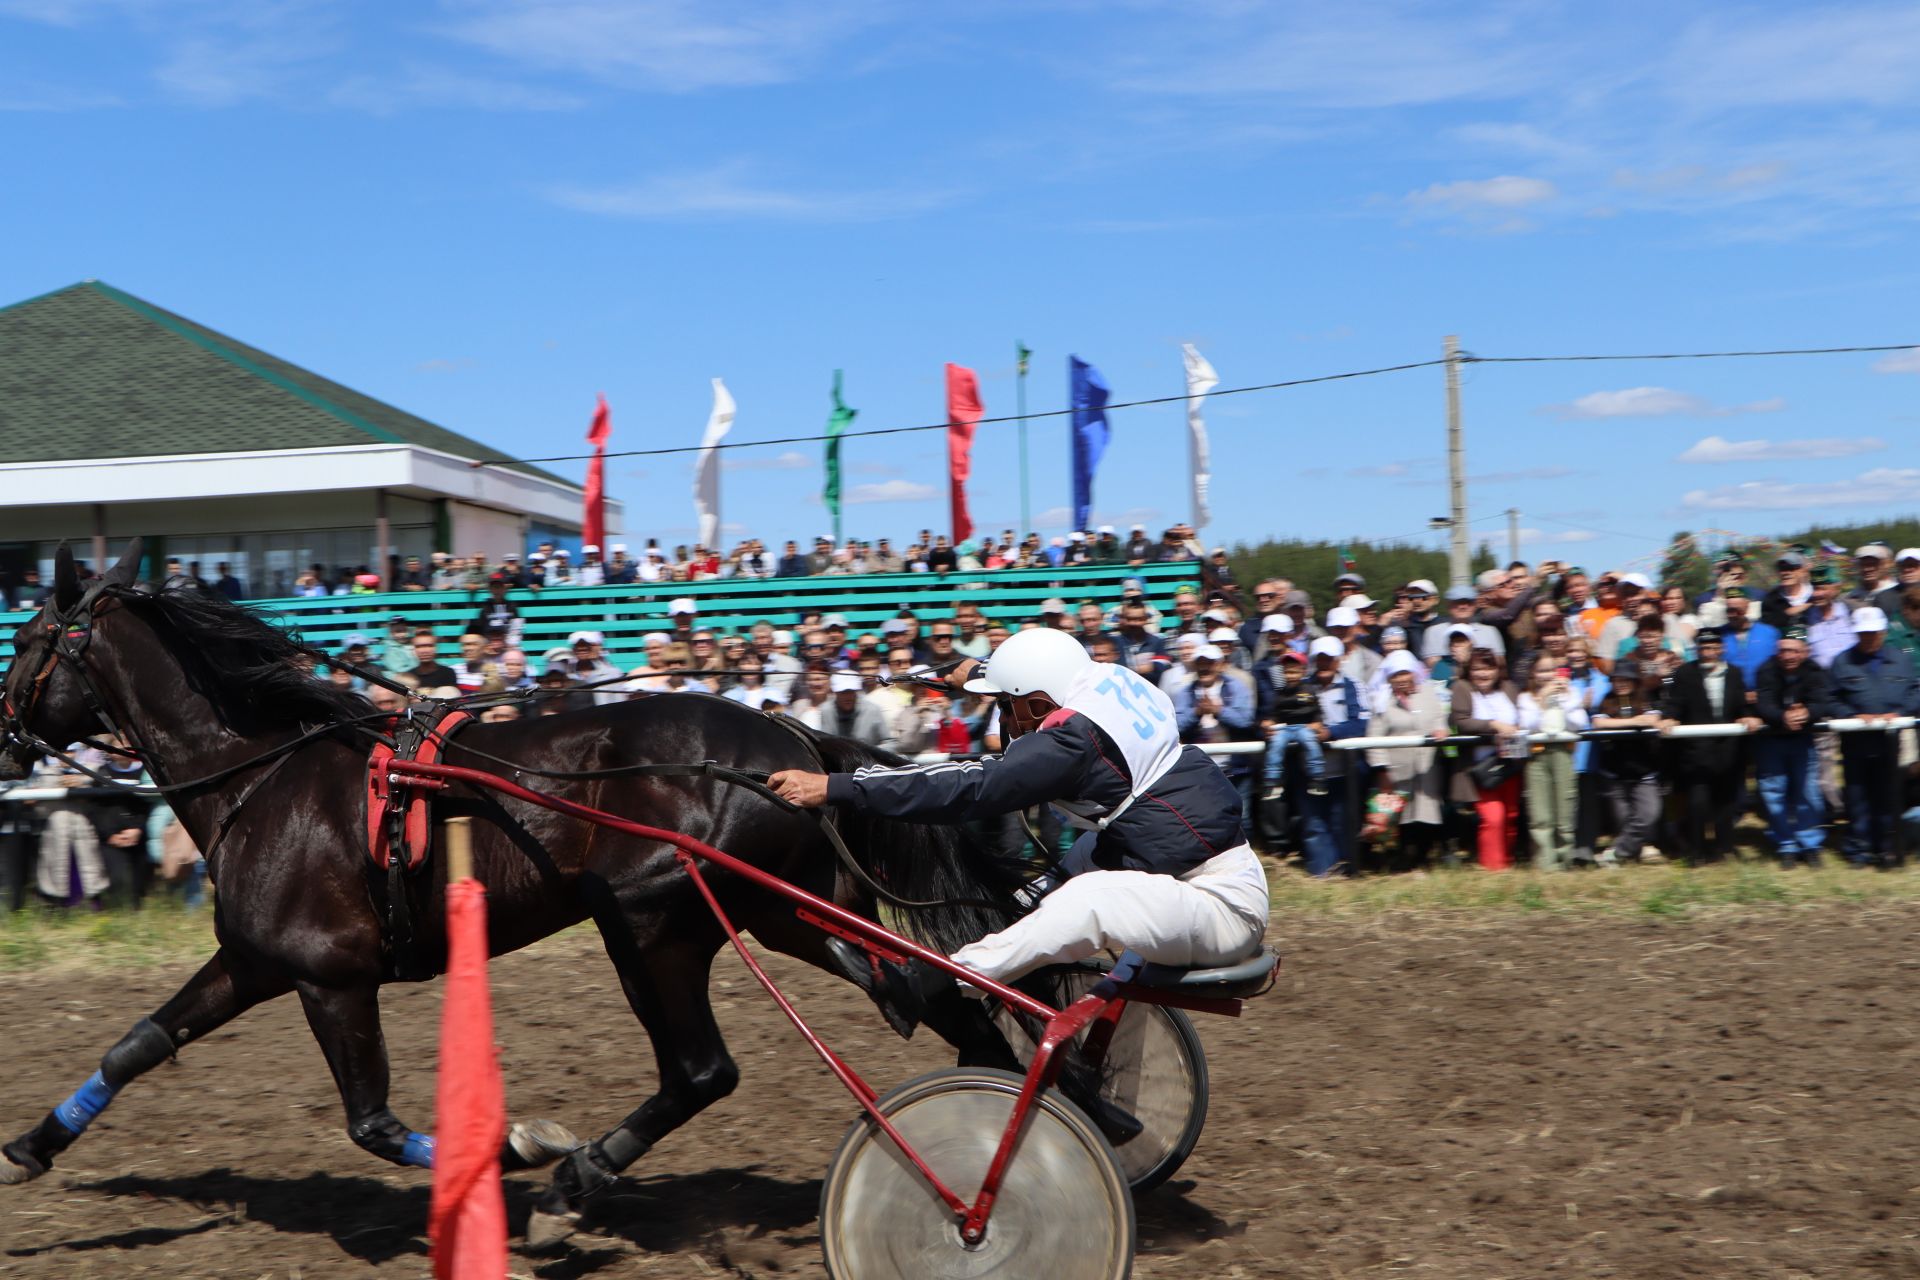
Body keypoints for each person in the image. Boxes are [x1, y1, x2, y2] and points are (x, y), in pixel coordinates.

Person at [767, 628, 1267, 1049]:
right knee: (1029, 898)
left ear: (1039, 703)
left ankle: (935, 980)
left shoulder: (1072, 744)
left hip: (1219, 905)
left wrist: (835, 787)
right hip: (1177, 867)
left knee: (1085, 899)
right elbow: (1049, 673)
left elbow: (969, 785)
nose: (1003, 722)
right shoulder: (1108, 679)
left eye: (1007, 708)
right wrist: (978, 672)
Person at [1827, 606, 1920, 866]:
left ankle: (1887, 847)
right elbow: (1830, 698)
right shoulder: (1842, 661)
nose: (1869, 638)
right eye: (1863, 633)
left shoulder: (1901, 659)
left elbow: (1915, 692)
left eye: (1873, 633)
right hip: (1856, 742)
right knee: (1857, 796)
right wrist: (1851, 716)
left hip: (1891, 742)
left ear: (1883, 632)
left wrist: (1899, 713)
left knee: (1888, 795)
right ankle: (1859, 849)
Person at [1660, 629, 1761, 864]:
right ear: (1697, 650)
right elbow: (1676, 702)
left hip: (1728, 751)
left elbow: (1740, 704)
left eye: (1712, 648)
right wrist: (1670, 717)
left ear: (1721, 649)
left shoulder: (1733, 673)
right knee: (1697, 803)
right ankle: (1696, 851)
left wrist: (1748, 716)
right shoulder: (1685, 673)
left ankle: (1723, 849)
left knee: (1725, 803)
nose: (1708, 653)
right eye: (1703, 648)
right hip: (1696, 751)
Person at [1364, 650, 1450, 869]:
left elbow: (1440, 717)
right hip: (1397, 770)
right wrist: (1382, 770)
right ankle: (1400, 862)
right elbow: (1373, 738)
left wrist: (1441, 729)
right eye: (1396, 675)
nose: (1401, 679)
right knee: (1401, 819)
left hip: (1427, 767)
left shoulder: (1428, 691)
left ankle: (1423, 859)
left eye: (1405, 673)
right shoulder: (1382, 701)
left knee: (1426, 814)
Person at [1753, 627, 1832, 866]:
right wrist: (1782, 716)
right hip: (1771, 740)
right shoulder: (1766, 670)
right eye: (1783, 650)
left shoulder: (1815, 671)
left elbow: (1822, 701)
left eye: (1794, 651)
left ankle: (1810, 843)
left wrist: (1806, 713)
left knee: (1808, 793)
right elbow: (1764, 703)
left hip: (1802, 740)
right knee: (1774, 792)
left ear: (1805, 652)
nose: (1788, 656)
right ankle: (1785, 845)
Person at [1592, 658, 1673, 866]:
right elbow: (1599, 722)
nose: (1620, 684)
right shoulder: (1606, 700)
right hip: (1615, 771)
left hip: (1644, 771)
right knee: (1624, 820)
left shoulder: (1646, 699)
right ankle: (1637, 851)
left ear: (1635, 681)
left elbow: (1652, 719)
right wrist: (1633, 722)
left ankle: (1616, 853)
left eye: (1625, 680)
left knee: (1648, 814)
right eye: (1616, 680)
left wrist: (1622, 724)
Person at [1449, 650, 1523, 870]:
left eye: (1488, 668)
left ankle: (1506, 861)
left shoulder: (1509, 688)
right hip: (1480, 769)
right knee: (1493, 817)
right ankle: (1493, 869)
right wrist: (1494, 725)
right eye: (1477, 669)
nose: (1482, 673)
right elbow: (1461, 721)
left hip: (1511, 763)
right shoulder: (1462, 688)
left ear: (1497, 670)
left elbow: (1522, 717)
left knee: (1511, 815)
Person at [1516, 664, 1590, 871]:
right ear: (1533, 674)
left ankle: (1564, 862)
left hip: (1563, 753)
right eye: (1541, 670)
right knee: (1541, 814)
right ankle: (1545, 864)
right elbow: (1526, 725)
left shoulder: (1571, 693)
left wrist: (1565, 699)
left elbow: (1579, 723)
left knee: (1565, 810)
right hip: (1537, 755)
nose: (1546, 675)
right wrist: (1541, 700)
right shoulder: (1525, 697)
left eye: (1550, 671)